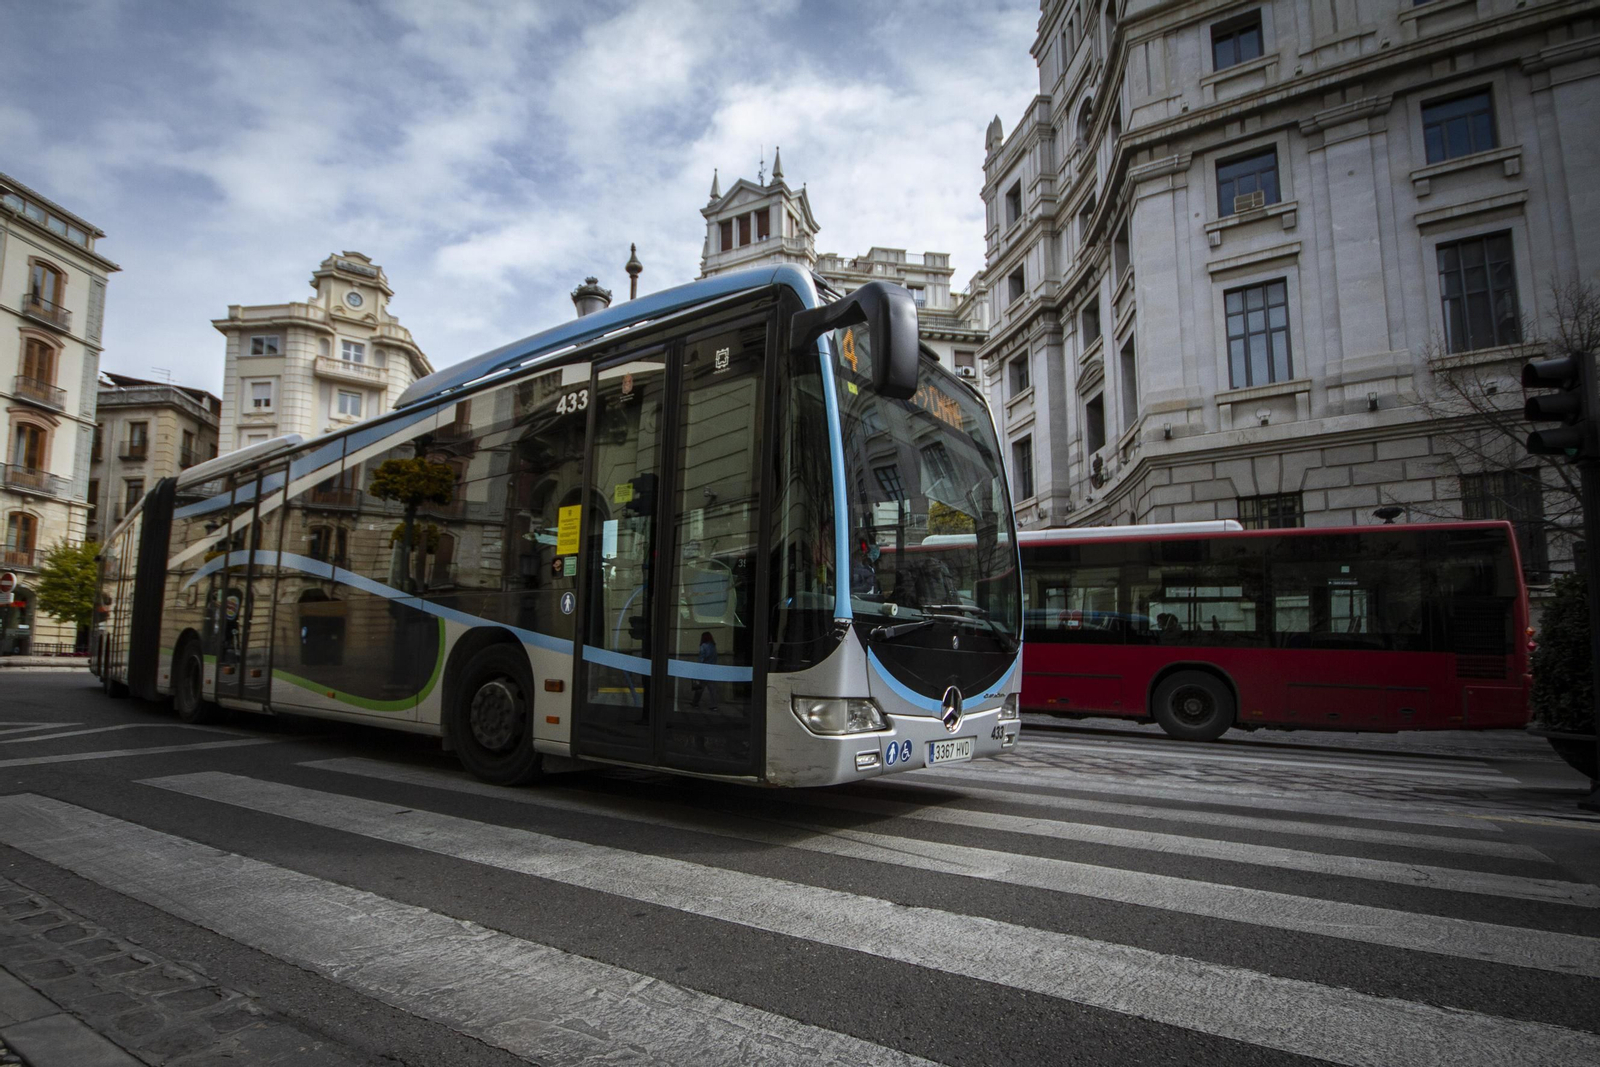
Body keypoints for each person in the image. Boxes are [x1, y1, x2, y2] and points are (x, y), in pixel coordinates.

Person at [691, 631, 719, 711]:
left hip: (704, 669)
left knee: (700, 687)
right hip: (712, 669)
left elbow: (701, 658)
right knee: (712, 688)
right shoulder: (713, 646)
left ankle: (695, 703)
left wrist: (698, 668)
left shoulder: (703, 646)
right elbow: (715, 658)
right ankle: (714, 705)